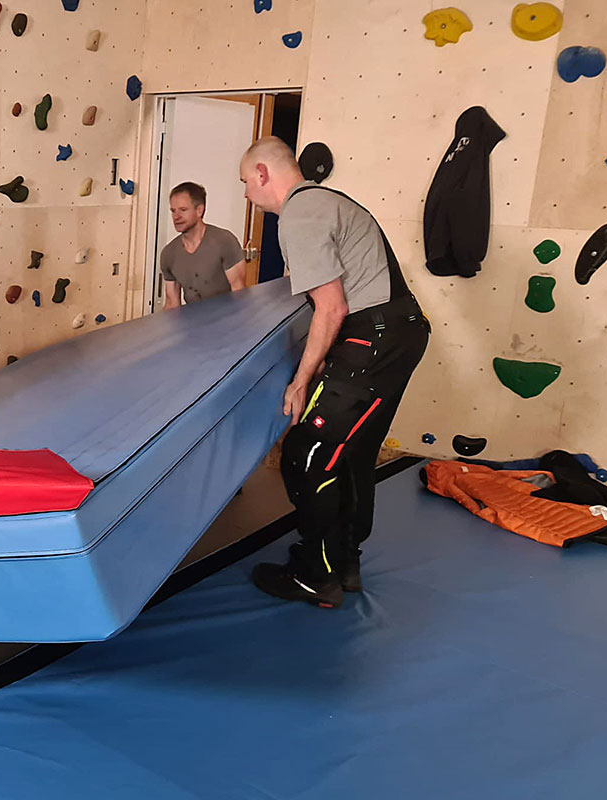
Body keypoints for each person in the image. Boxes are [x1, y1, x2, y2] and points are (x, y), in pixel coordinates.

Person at [237, 136, 430, 608]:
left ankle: (314, 574)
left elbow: (332, 306)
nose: (246, 194)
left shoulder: (299, 215)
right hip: (399, 331)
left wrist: (302, 380)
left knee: (306, 454)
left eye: (245, 182)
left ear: (263, 173)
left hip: (374, 337)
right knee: (354, 453)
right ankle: (346, 563)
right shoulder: (331, 201)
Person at [160, 182, 249, 309]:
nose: (176, 217)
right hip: (193, 322)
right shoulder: (168, 254)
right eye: (173, 211)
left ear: (199, 210)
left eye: (183, 210)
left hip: (227, 319)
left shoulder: (224, 241)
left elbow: (239, 293)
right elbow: (171, 303)